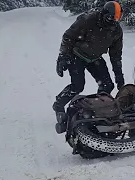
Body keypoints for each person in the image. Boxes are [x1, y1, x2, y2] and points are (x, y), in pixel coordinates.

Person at [53, 1, 125, 134]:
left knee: (107, 85)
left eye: (117, 19)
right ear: (104, 14)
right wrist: (62, 57)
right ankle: (58, 105)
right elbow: (68, 37)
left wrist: (119, 76)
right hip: (77, 55)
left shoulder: (116, 31)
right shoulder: (89, 19)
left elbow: (116, 56)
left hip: (95, 58)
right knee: (77, 86)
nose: (113, 22)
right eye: (111, 18)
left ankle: (99, 108)